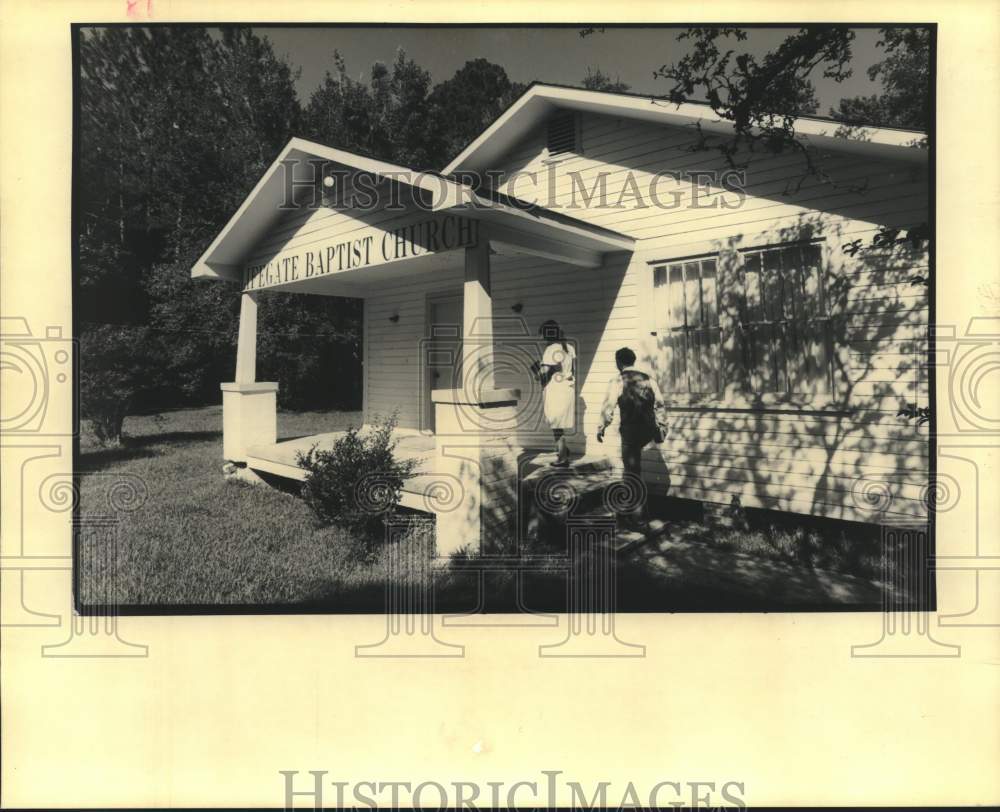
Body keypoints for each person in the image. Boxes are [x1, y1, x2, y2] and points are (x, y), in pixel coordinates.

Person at [596, 347, 668, 524]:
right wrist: (662, 427)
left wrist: (601, 427)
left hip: (631, 431)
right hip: (648, 430)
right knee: (634, 470)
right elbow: (659, 405)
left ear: (618, 362)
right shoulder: (648, 379)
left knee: (632, 472)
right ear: (633, 361)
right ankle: (638, 510)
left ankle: (637, 516)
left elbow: (608, 407)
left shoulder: (618, 380)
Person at [531, 319, 576, 467]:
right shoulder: (569, 348)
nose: (543, 338)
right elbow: (571, 371)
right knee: (559, 424)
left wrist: (535, 370)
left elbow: (544, 374)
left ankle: (563, 458)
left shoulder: (551, 350)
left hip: (556, 390)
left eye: (544, 334)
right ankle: (564, 450)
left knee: (556, 425)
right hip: (567, 387)